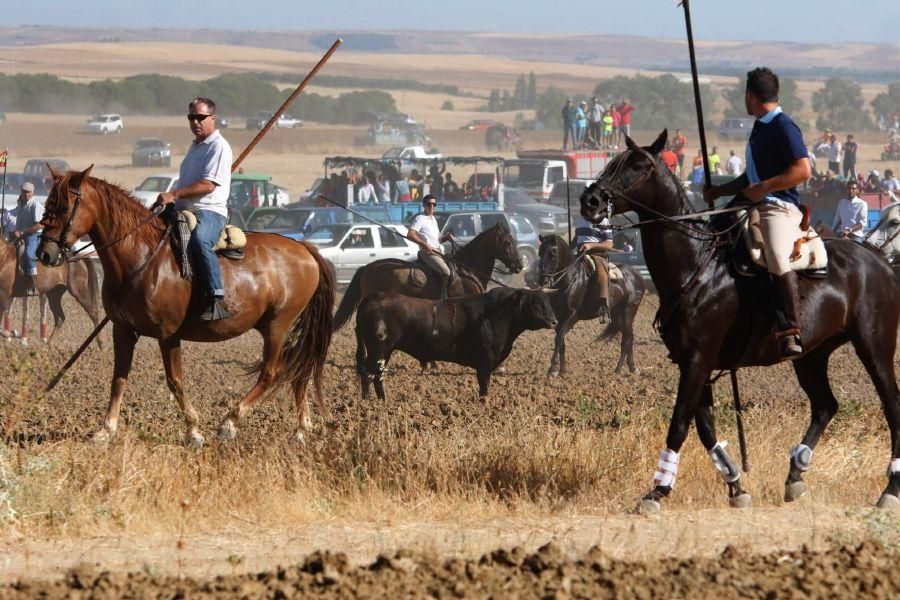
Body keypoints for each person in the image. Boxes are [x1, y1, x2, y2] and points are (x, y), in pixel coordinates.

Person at [704, 67, 812, 360]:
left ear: (751, 96)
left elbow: (803, 170)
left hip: (779, 206)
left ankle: (791, 330)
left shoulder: (783, 126)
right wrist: (721, 191)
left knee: (776, 254)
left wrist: (764, 187)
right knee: (712, 237)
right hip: (752, 202)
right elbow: (750, 178)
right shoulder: (760, 126)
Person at [156, 96, 233, 321]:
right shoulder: (196, 146)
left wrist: (174, 194)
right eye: (191, 117)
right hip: (184, 209)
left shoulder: (218, 146)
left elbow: (208, 185)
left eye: (200, 117)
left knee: (200, 240)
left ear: (213, 118)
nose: (195, 122)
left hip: (209, 211)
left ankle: (215, 297)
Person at [406, 194, 452, 299]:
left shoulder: (433, 219)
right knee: (446, 272)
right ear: (424, 205)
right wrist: (424, 244)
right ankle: (442, 299)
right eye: (429, 204)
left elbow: (436, 240)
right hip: (427, 253)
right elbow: (410, 234)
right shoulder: (420, 218)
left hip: (437, 251)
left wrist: (445, 238)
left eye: (434, 204)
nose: (432, 207)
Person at [573, 213, 613, 321]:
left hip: (597, 254)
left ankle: (604, 306)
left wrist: (591, 245)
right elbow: (577, 237)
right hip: (579, 253)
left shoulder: (603, 220)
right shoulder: (580, 219)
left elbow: (609, 244)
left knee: (601, 273)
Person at [12, 182, 42, 294]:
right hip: (20, 234)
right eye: (24, 192)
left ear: (32, 193)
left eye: (28, 192)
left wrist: (22, 232)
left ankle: (33, 283)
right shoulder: (21, 203)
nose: (26, 194)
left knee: (29, 255)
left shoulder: (36, 205)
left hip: (33, 234)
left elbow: (39, 225)